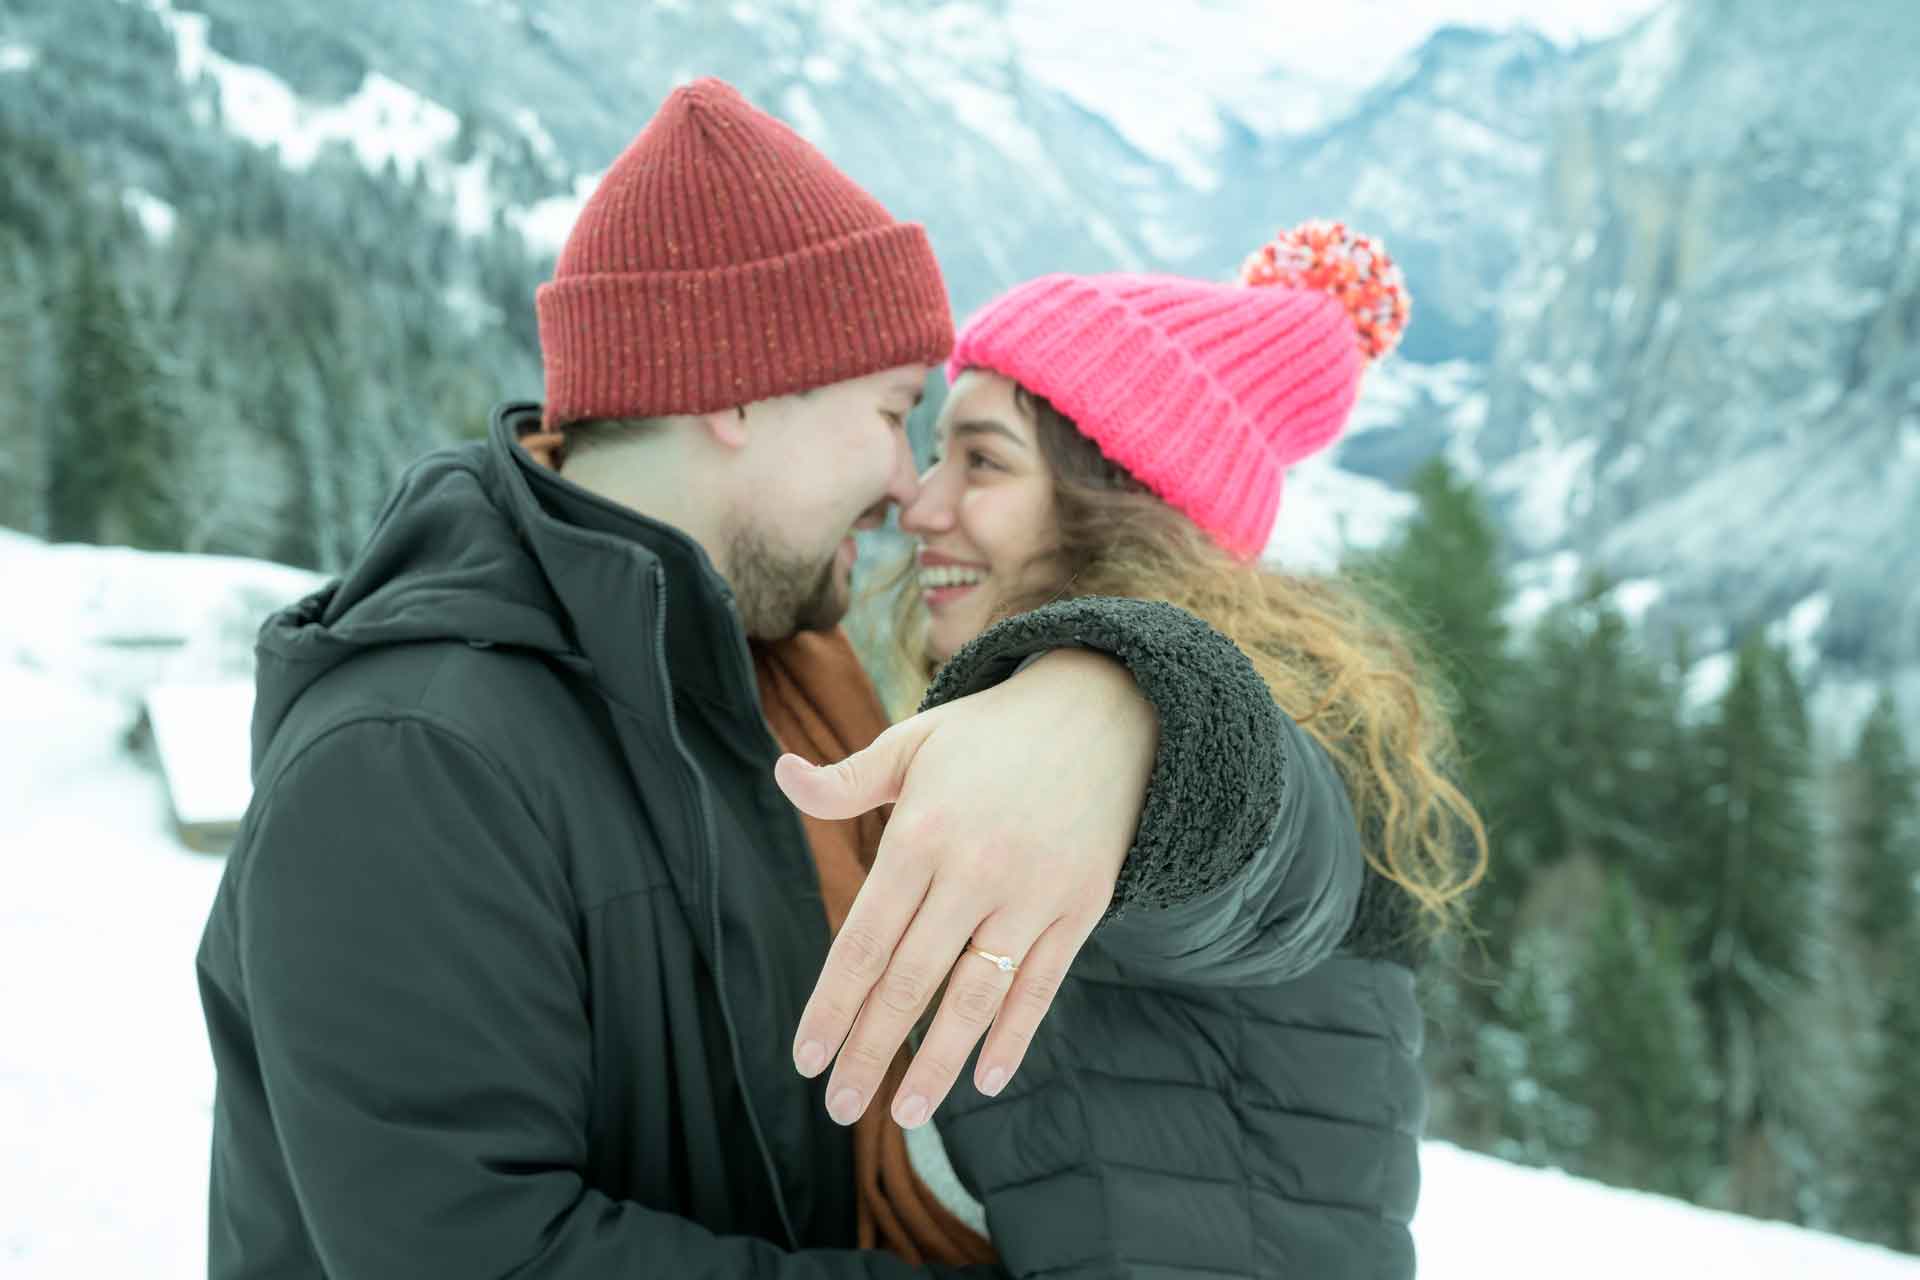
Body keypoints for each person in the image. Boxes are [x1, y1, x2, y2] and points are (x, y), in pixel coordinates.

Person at [195, 79, 1292, 1277]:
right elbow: (479, 1251)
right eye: (889, 413)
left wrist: (1119, 699)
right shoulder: (411, 756)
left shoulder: (751, 679)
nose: (899, 485)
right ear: (737, 391)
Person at [876, 223, 1490, 1277]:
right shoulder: (1004, 741)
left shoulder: (1301, 754)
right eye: (937, 450)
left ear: (1123, 502)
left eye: (981, 459)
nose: (921, 503)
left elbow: (1252, 841)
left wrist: (1133, 707)